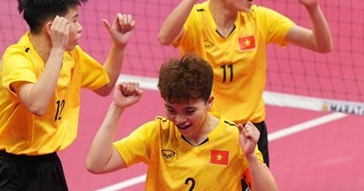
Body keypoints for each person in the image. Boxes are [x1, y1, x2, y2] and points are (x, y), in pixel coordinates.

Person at [158, 0, 333, 166]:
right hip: (207, 130)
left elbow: (322, 44)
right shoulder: (195, 19)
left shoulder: (260, 19)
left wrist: (313, 8)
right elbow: (165, 37)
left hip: (252, 131)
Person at [0, 0, 135, 191]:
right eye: (74, 20)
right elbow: (37, 105)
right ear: (53, 28)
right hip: (8, 172)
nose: (80, 28)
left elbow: (105, 85)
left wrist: (119, 46)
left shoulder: (71, 56)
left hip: (48, 167)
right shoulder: (17, 59)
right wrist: (58, 48)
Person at [86, 54, 279, 191]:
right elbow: (96, 164)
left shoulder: (233, 138)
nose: (179, 119)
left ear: (209, 102)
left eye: (189, 111)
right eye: (171, 109)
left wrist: (251, 157)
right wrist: (116, 108)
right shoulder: (157, 133)